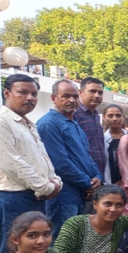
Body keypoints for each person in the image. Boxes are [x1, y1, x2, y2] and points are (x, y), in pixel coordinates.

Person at [0, 74, 62, 253]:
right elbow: (12, 164)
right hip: (10, 199)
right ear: (7, 93)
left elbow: (42, 159)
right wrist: (46, 187)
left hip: (33, 196)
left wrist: (56, 180)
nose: (30, 98)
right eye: (23, 92)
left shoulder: (28, 124)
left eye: (34, 94)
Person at [37, 79, 102, 239]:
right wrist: (88, 184)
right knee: (61, 242)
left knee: (76, 241)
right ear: (54, 98)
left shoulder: (74, 123)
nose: (72, 100)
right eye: (66, 96)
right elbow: (60, 164)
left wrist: (98, 178)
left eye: (74, 96)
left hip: (80, 193)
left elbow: (87, 156)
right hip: (64, 196)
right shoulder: (49, 124)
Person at [74, 77, 106, 178]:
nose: (97, 95)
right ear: (80, 92)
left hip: (98, 175)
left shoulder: (96, 115)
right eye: (92, 91)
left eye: (100, 93)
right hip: (84, 176)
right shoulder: (74, 114)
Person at [103, 104, 127, 186]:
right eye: (110, 116)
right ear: (104, 117)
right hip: (110, 184)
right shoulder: (102, 140)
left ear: (123, 117)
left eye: (118, 115)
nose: (115, 119)